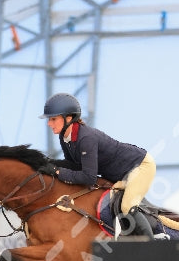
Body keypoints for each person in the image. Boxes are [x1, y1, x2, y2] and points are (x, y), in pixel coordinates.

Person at [39, 92, 156, 238]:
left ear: (68, 118)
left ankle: (152, 247)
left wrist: (57, 172)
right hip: (119, 173)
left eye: (53, 119)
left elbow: (89, 178)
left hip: (140, 166)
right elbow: (74, 165)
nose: (49, 123)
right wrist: (49, 163)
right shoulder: (65, 137)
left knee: (127, 206)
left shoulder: (86, 138)